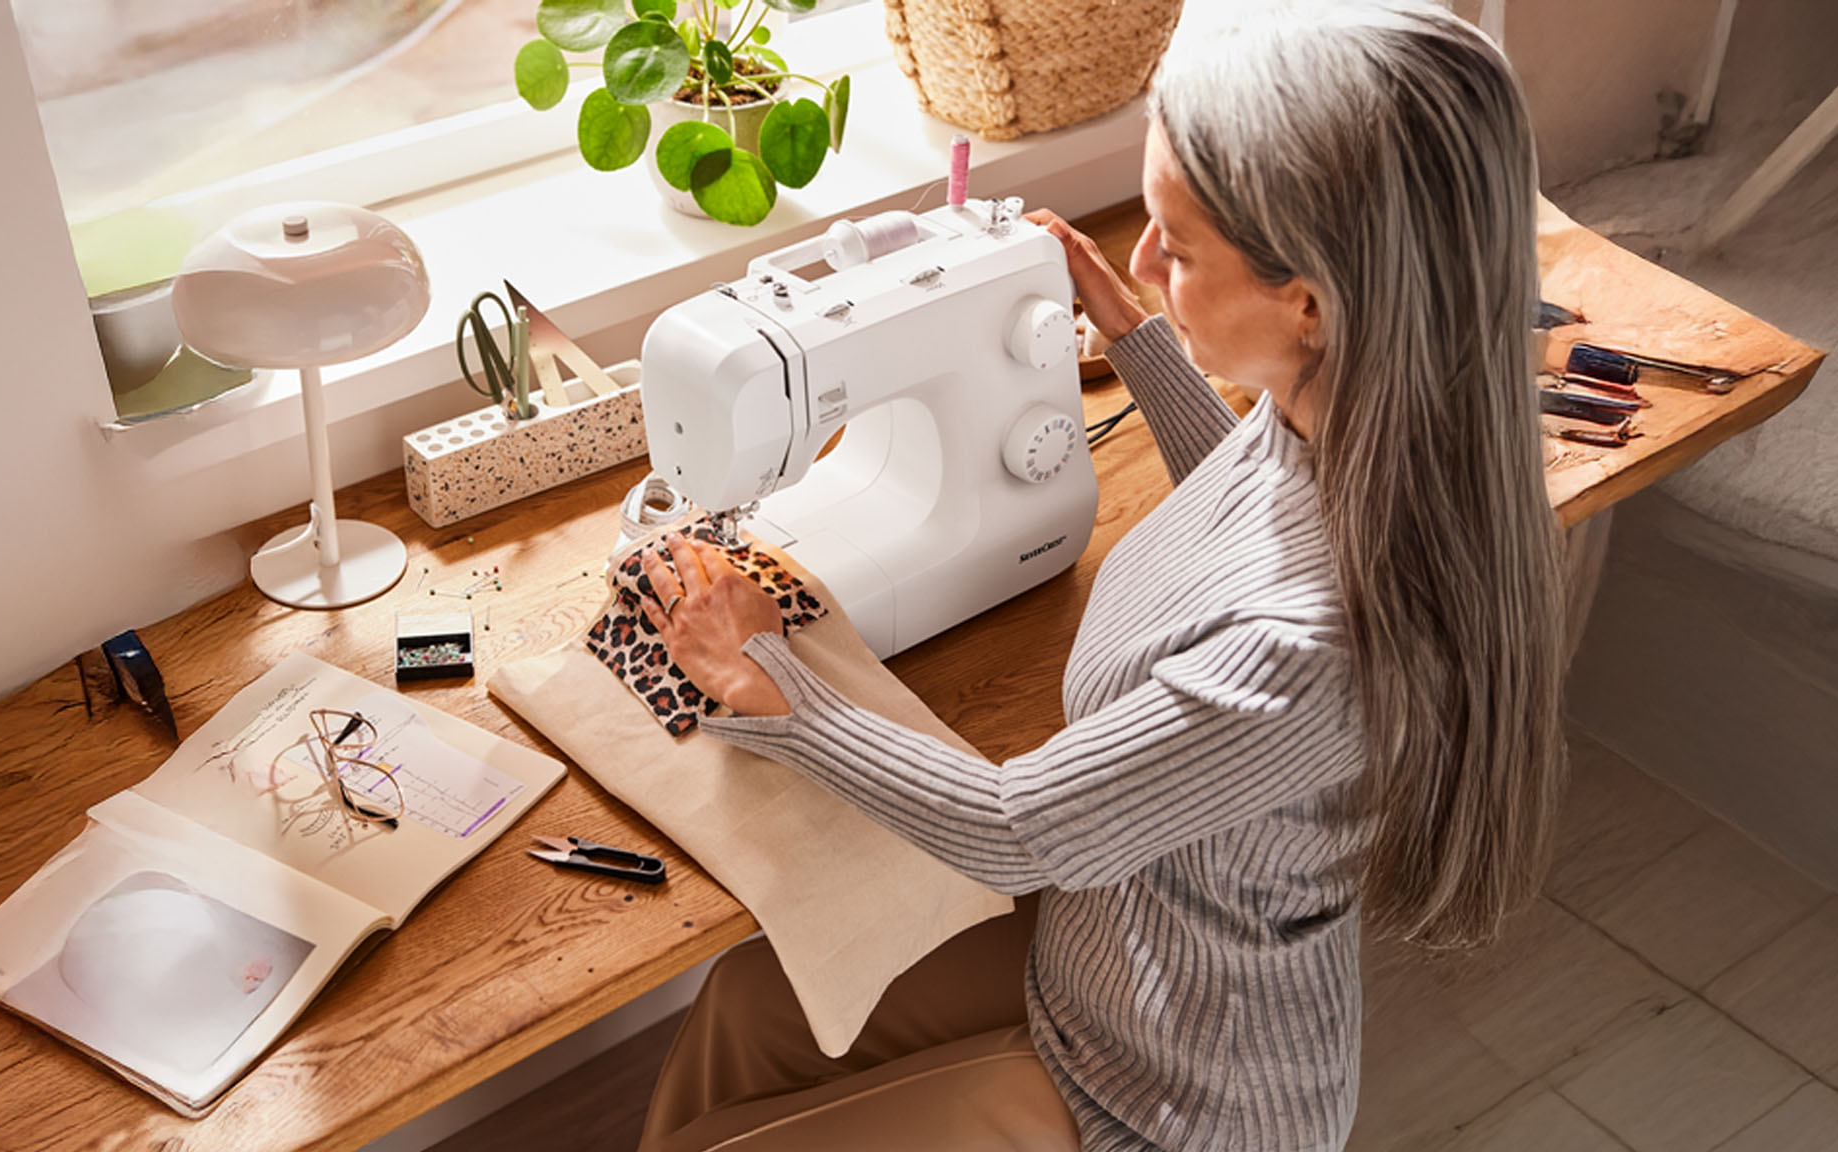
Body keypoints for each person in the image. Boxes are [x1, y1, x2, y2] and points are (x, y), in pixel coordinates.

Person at [630, 1, 1568, 1148]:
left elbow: (1009, 830)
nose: (1139, 257)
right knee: (744, 1008)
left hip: (1174, 1095)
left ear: (1310, 304)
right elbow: (1249, 495)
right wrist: (1136, 331)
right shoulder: (1353, 427)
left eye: (1174, 247)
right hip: (1109, 955)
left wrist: (769, 681)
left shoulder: (1305, 648)